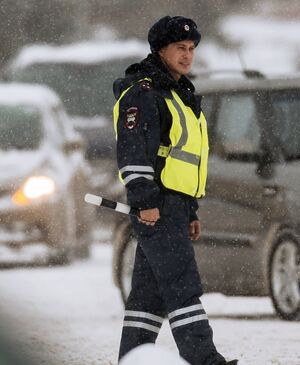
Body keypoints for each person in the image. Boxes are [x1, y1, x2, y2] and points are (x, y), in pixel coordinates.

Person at [112, 16, 237, 365]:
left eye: (191, 48)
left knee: (148, 298)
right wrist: (145, 201)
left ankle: (131, 357)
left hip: (175, 206)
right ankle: (204, 359)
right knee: (183, 285)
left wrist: (190, 210)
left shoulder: (178, 93)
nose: (187, 55)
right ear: (160, 49)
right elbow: (134, 153)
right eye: (179, 48)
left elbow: (182, 161)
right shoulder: (145, 93)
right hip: (158, 206)